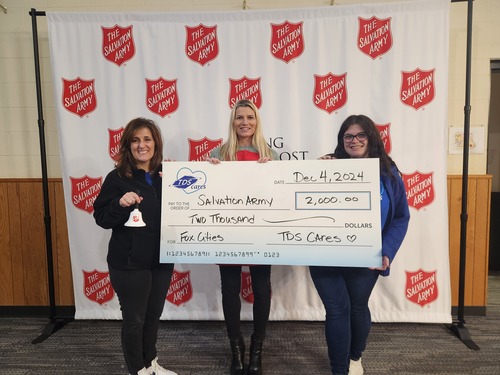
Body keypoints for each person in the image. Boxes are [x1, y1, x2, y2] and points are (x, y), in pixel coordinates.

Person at [309, 114, 410, 375]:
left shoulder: (388, 171)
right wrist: (314, 173)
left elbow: (400, 217)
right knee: (336, 309)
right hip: (325, 253)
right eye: (348, 136)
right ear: (342, 141)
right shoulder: (327, 167)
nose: (354, 141)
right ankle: (339, 370)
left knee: (356, 306)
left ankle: (355, 356)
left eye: (360, 135)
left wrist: (387, 250)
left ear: (371, 137)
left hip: (367, 254)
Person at [93, 117, 177, 375]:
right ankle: (137, 369)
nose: (142, 145)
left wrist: (212, 172)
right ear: (128, 145)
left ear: (156, 143)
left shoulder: (168, 175)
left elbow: (200, 196)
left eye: (147, 139)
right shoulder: (117, 177)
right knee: (135, 320)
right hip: (128, 263)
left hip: (161, 259)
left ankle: (150, 363)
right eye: (135, 140)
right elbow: (101, 218)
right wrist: (119, 204)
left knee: (152, 317)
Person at [206, 99, 279, 375]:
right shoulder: (220, 152)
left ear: (256, 121)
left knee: (261, 290)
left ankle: (257, 349)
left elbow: (278, 194)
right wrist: (209, 171)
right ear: (232, 121)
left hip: (260, 232)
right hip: (229, 232)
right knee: (230, 291)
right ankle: (236, 350)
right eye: (239, 117)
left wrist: (272, 171)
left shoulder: (268, 153)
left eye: (250, 117)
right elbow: (208, 194)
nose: (244, 122)